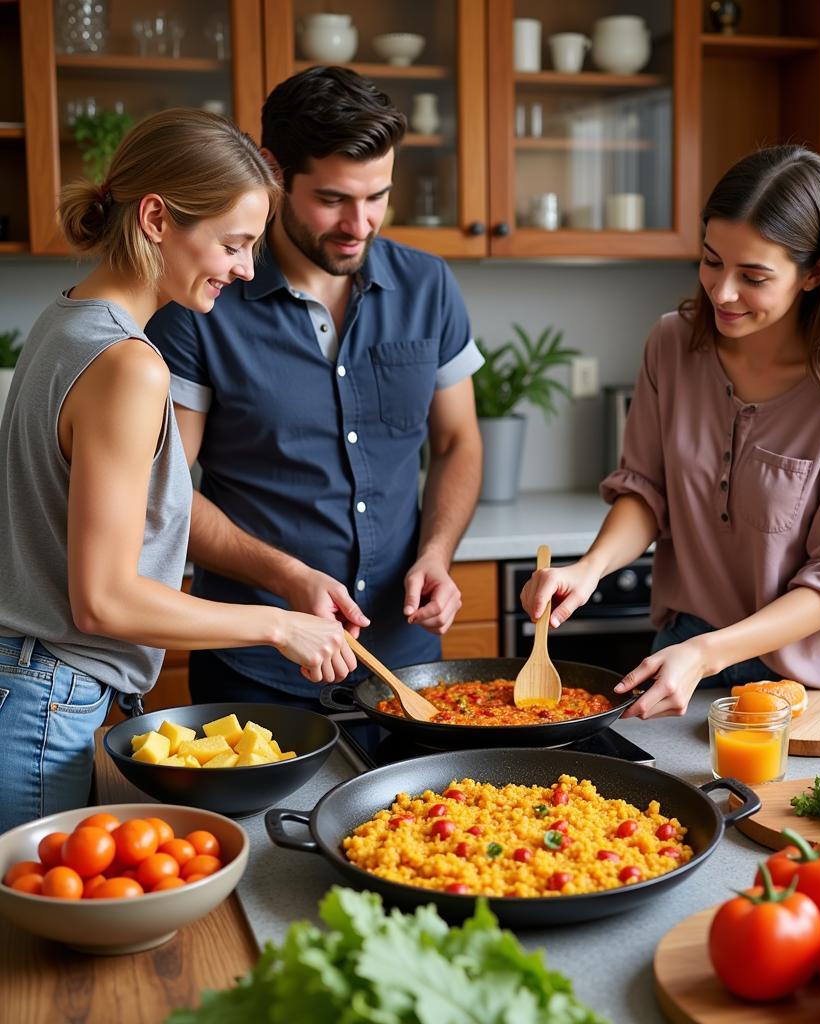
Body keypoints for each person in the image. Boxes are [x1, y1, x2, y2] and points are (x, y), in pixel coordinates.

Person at [0, 110, 357, 832]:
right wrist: (278, 627)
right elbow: (104, 601)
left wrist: (288, 578)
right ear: (158, 218)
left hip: (32, 684)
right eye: (233, 243)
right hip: (47, 698)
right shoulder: (130, 365)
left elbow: (132, 512)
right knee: (34, 943)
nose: (246, 269)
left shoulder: (65, 321)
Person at [522, 145, 820, 720]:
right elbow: (646, 491)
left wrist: (708, 653)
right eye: (711, 261)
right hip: (686, 647)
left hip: (812, 686)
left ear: (816, 272)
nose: (722, 291)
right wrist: (590, 568)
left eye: (753, 276)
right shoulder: (672, 345)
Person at [147, 67, 483, 710]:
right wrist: (287, 577)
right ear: (272, 172)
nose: (360, 223)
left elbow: (458, 440)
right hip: (260, 670)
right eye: (333, 199)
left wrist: (438, 554)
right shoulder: (203, 301)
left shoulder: (429, 286)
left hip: (404, 666)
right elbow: (164, 491)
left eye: (377, 196)